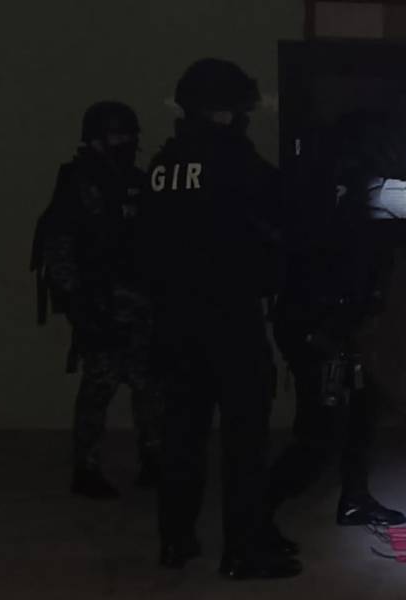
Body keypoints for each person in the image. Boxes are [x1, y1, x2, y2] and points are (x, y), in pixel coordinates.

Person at [135, 59, 301, 580]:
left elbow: (143, 247)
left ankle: (176, 541)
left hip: (173, 323)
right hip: (230, 320)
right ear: (225, 111)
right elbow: (284, 209)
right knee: (243, 442)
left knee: (182, 437)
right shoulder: (233, 159)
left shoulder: (162, 165)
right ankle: (242, 551)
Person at [265, 110, 406, 553]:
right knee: (319, 435)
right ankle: (255, 512)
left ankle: (354, 499)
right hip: (321, 326)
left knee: (362, 407)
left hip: (317, 322)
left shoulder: (316, 186)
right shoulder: (369, 190)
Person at [33, 101, 161, 499]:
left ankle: (153, 458)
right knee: (99, 387)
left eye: (130, 136)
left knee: (149, 384)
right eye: (118, 135)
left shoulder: (136, 182)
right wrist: (79, 305)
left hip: (140, 304)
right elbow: (60, 249)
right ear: (95, 140)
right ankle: (86, 468)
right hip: (100, 303)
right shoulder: (78, 185)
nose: (127, 143)